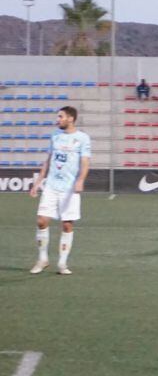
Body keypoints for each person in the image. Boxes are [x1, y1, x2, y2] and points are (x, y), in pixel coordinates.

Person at [28, 106, 91, 275]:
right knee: (41, 221)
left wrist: (80, 181)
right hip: (51, 186)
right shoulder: (55, 135)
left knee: (67, 224)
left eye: (60, 116)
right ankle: (42, 259)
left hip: (69, 189)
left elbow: (85, 162)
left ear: (70, 118)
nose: (57, 119)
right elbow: (48, 160)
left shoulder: (82, 138)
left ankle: (62, 263)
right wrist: (37, 182)